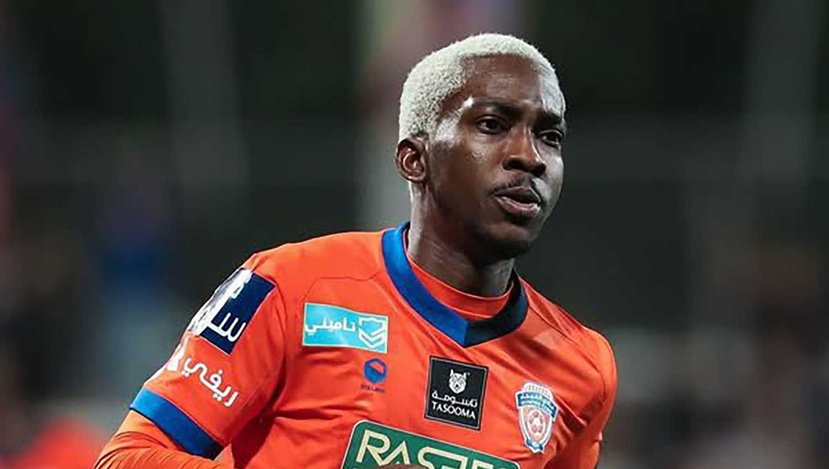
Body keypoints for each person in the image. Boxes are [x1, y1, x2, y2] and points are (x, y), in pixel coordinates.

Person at [96, 33, 617, 469]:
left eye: (549, 136)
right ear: (415, 160)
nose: (529, 156)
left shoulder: (582, 368)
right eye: (492, 125)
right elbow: (126, 459)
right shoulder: (289, 288)